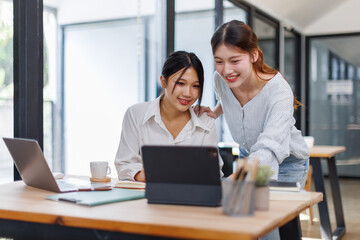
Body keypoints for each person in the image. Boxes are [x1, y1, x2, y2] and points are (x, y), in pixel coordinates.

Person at [197, 19, 309, 240]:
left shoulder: (278, 91)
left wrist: (237, 180)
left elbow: (270, 148)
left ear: (254, 55)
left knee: (261, 222)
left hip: (285, 163)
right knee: (235, 217)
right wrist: (216, 112)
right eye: (219, 61)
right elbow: (225, 97)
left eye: (234, 60)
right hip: (250, 156)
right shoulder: (220, 79)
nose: (226, 70)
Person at [115, 51, 223, 182]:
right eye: (181, 83)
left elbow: (213, 172)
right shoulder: (136, 114)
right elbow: (124, 164)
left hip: (190, 200)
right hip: (144, 199)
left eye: (195, 86)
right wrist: (140, 174)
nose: (188, 93)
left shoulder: (205, 121)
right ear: (163, 82)